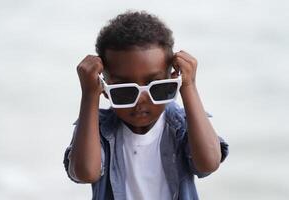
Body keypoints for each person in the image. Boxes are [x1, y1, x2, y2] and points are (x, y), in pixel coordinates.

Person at [63, 11, 229, 200]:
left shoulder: (180, 125)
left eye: (157, 88)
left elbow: (209, 162)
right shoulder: (98, 129)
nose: (142, 100)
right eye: (125, 91)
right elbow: (85, 173)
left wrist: (189, 86)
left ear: (172, 80)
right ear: (104, 89)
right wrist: (89, 95)